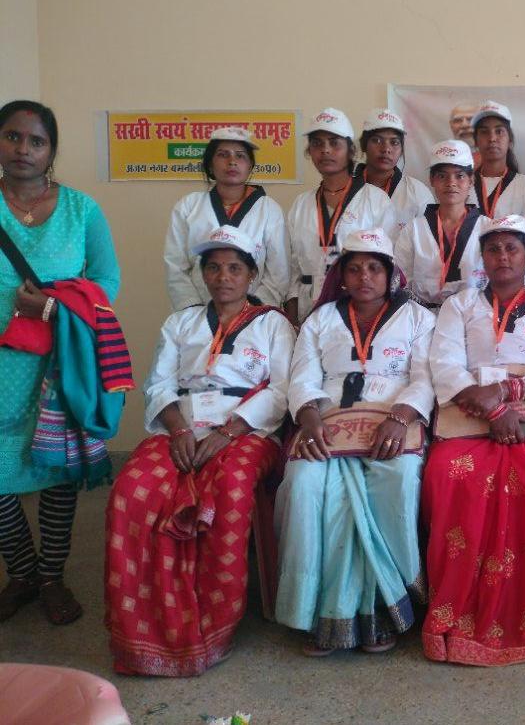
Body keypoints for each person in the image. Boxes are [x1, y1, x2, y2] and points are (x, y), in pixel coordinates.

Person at [105, 227, 294, 676]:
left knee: (229, 489)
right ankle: (145, 627)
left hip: (247, 431)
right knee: (131, 491)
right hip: (183, 427)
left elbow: (282, 389)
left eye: (234, 268)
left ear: (251, 274)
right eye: (214, 267)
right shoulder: (180, 322)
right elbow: (159, 385)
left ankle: (213, 626)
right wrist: (178, 431)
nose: (223, 277)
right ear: (203, 274)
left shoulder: (273, 324)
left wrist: (228, 432)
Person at [422, 215, 525, 666]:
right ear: (482, 258)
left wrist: (506, 394)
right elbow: (444, 365)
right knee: (449, 473)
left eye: (512, 248)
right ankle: (454, 613)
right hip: (469, 408)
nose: (503, 257)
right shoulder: (460, 305)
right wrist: (491, 410)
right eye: (494, 249)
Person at [275, 228, 435, 656]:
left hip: (394, 422)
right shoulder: (321, 319)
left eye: (374, 268)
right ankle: (318, 611)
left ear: (390, 274)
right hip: (327, 425)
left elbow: (425, 378)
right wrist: (309, 419)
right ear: (341, 276)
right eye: (355, 268)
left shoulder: (418, 318)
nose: (365, 276)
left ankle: (384, 604)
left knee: (399, 476)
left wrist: (400, 418)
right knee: (304, 482)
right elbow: (302, 378)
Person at [0, 100, 122, 626]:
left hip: (60, 361)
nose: (23, 149)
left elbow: (107, 281)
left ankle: (51, 576)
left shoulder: (80, 209)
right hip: (1, 364)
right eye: (12, 137)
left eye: (36, 141)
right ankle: (22, 572)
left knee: (56, 468)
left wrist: (52, 310)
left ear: (51, 150)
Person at [285, 107, 395, 324]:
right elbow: (293, 271)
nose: (325, 150)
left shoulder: (376, 200)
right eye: (317, 144)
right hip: (309, 311)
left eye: (334, 143)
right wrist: (293, 321)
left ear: (351, 151)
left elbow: (389, 264)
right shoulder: (301, 204)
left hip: (359, 311)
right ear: (309, 152)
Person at [163, 126, 288, 311]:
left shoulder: (269, 209)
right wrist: (193, 310)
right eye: (223, 155)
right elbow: (176, 266)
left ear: (250, 166)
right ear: (210, 165)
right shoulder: (188, 206)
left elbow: (278, 272)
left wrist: (252, 311)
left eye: (240, 156)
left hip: (254, 316)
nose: (232, 162)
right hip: (199, 313)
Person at [394, 140, 491, 308]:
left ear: (471, 180)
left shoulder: (488, 229)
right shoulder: (414, 229)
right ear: (431, 180)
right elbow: (400, 280)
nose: (451, 182)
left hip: (474, 314)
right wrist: (421, 314)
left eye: (460, 176)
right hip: (422, 315)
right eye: (442, 176)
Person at [353, 108, 433, 242]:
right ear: (364, 145)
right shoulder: (345, 189)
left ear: (401, 150)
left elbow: (428, 243)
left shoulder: (417, 193)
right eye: (377, 140)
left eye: (394, 142)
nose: (386, 149)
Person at [467, 101, 525, 220]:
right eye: (484, 132)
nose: (492, 138)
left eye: (499, 131)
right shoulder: (463, 185)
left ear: (510, 139)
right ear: (476, 141)